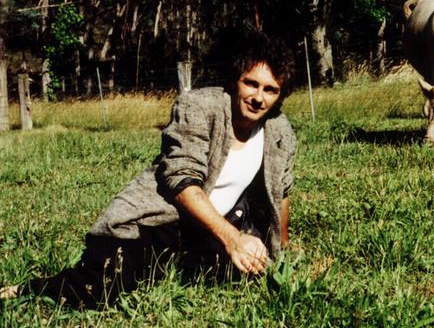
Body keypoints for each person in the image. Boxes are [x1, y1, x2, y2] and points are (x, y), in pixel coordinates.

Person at [0, 32, 297, 309]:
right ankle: (30, 289)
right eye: (251, 83)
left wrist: (282, 251)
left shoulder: (279, 131)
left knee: (247, 274)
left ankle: (188, 264)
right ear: (236, 80)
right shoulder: (199, 107)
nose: (258, 97)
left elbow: (281, 190)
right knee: (103, 289)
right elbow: (182, 182)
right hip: (156, 222)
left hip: (210, 231)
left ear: (280, 95)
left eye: (270, 90)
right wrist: (233, 240)